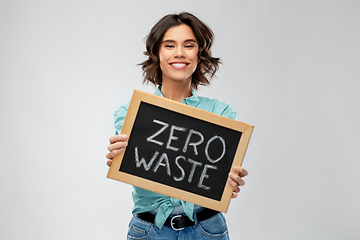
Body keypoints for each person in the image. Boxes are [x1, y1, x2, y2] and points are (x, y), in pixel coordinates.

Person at [106, 12, 248, 239]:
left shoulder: (221, 113)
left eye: (189, 45)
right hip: (149, 231)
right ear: (157, 53)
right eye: (170, 45)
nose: (179, 53)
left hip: (207, 229)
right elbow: (136, 165)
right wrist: (120, 157)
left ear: (200, 54)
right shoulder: (130, 113)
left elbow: (220, 175)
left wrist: (228, 181)